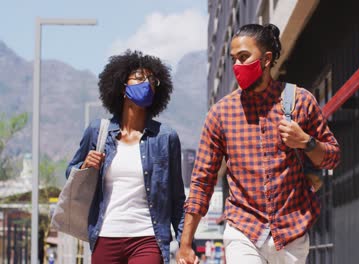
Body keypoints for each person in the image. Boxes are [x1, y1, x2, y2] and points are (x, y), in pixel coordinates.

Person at [177, 24, 340, 264]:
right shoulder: (220, 114)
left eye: (244, 58)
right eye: (234, 60)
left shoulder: (300, 101)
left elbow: (333, 156)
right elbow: (202, 180)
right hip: (244, 231)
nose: (237, 67)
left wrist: (306, 142)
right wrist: (185, 243)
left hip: (291, 232)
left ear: (266, 59)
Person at [66, 50, 185, 264]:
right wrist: (85, 165)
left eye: (151, 79)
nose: (147, 83)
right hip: (105, 235)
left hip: (148, 237)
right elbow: (71, 173)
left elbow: (177, 198)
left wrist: (185, 244)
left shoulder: (165, 137)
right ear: (122, 88)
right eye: (139, 78)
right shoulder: (98, 131)